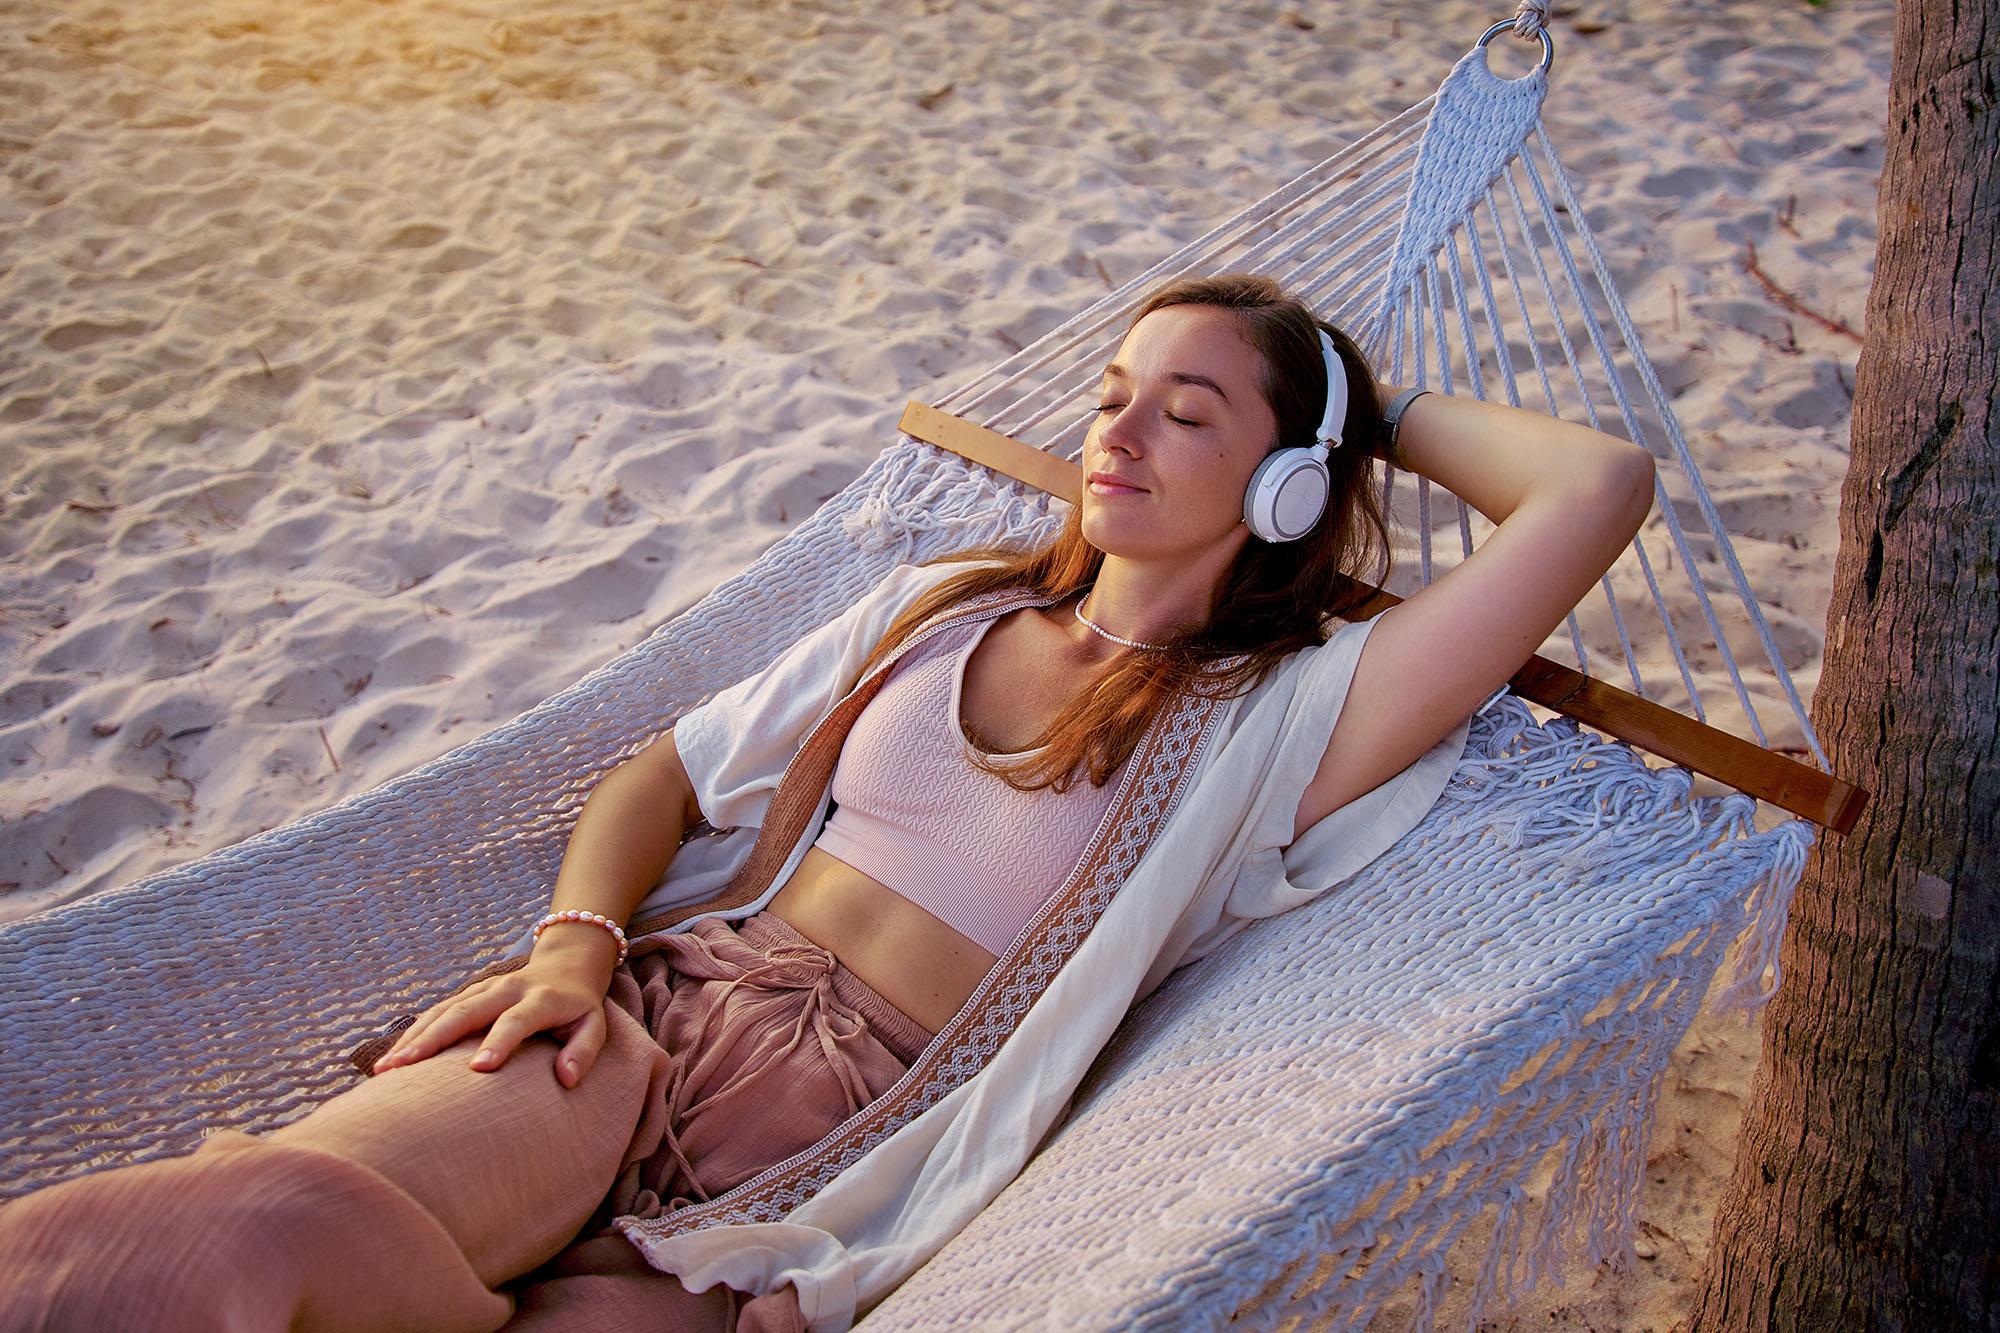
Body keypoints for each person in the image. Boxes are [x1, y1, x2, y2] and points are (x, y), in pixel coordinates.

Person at [0, 273, 1655, 1332]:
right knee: (245, 1220)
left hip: (826, 1179)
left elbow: (1593, 489)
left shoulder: (1283, 723)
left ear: (1285, 484)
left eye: (1190, 409)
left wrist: (1367, 405)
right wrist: (578, 946)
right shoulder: (944, 606)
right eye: (1113, 390)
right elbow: (658, 773)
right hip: (638, 1027)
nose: (1120, 430)